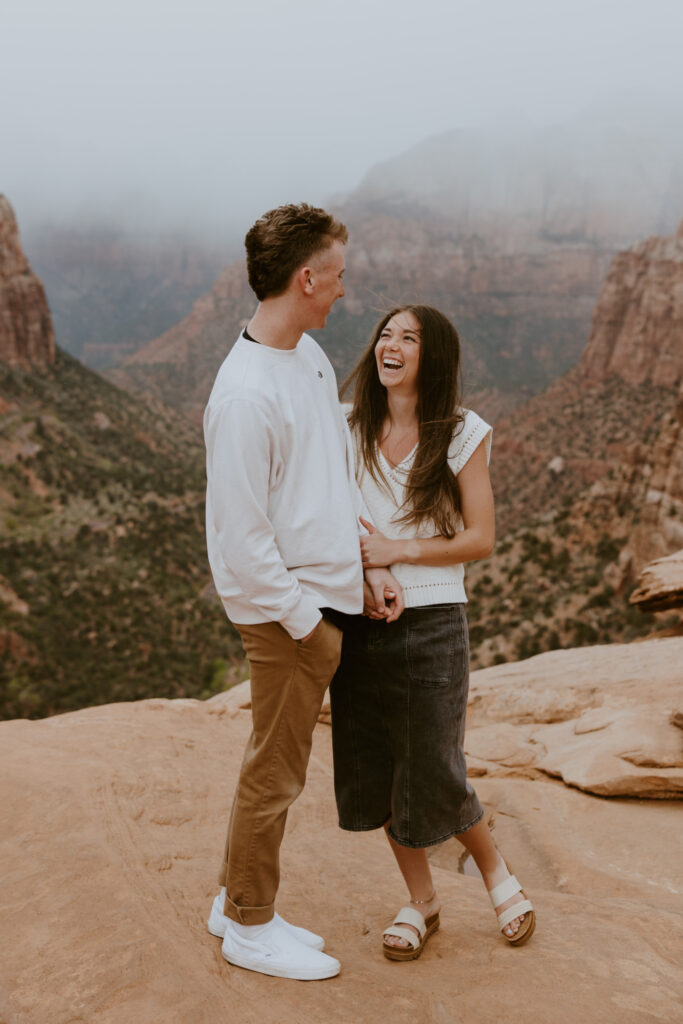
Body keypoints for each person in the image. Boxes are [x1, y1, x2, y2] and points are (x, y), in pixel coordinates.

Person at [203, 203, 404, 981]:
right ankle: (250, 928)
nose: (344, 293)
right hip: (287, 618)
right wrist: (309, 628)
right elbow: (242, 544)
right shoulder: (245, 396)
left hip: (325, 597)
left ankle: (234, 902)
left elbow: (327, 480)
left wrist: (365, 562)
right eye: (339, 276)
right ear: (305, 277)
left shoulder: (309, 360)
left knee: (269, 761)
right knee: (276, 773)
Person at [330, 305, 535, 962]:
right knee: (378, 769)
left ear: (431, 357)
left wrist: (399, 550)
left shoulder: (461, 432)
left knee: (434, 766)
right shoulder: (346, 424)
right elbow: (327, 515)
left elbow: (481, 537)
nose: (391, 346)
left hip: (433, 620)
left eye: (408, 339)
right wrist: (364, 573)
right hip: (358, 621)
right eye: (385, 334)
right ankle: (421, 902)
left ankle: (496, 874)